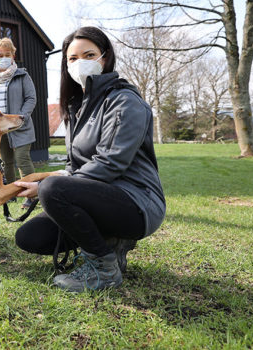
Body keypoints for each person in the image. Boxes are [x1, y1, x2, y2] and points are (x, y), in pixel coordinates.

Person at [13, 26, 166, 292]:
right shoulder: (76, 107)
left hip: (137, 202)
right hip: (99, 196)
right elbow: (74, 167)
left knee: (52, 189)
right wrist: (42, 184)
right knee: (29, 236)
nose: (79, 63)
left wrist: (48, 188)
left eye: (89, 54)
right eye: (72, 58)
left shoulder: (125, 101)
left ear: (104, 58)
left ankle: (103, 267)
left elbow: (110, 163)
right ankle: (110, 244)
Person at [0, 37, 38, 208]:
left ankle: (31, 196)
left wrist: (22, 117)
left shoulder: (22, 75)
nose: (4, 57)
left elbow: (31, 98)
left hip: (20, 126)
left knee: (22, 159)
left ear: (13, 56)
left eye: (7, 54)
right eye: (0, 54)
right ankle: (12, 193)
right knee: (6, 162)